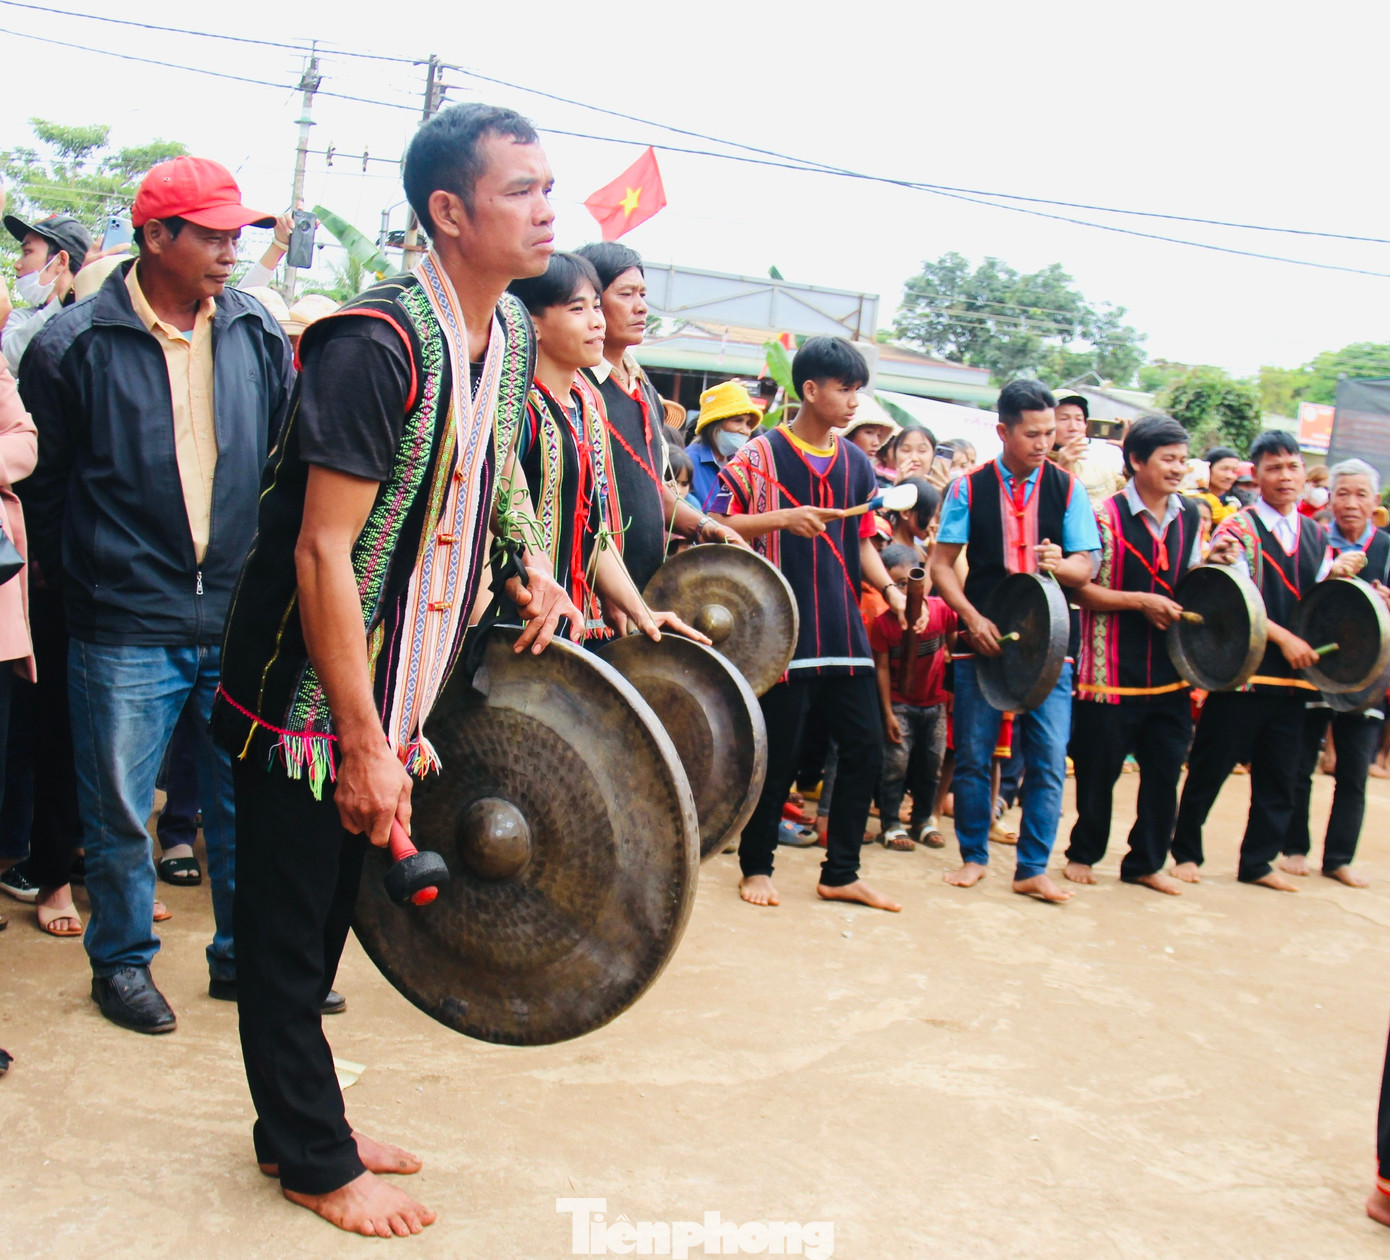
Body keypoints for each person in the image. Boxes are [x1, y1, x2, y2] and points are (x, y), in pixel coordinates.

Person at [209, 103, 583, 1237]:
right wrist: (360, 746)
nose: (546, 209)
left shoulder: (507, 336)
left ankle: (300, 1117)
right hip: (305, 701)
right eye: (520, 190)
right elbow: (325, 551)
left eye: (545, 186)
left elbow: (494, 470)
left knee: (326, 920)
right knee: (283, 937)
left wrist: (528, 564)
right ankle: (313, 1158)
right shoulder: (373, 344)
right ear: (448, 212)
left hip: (400, 686)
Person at [17, 157, 294, 1026]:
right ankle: (123, 964)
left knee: (243, 807)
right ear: (155, 237)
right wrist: (92, 579)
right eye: (210, 234)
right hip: (124, 619)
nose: (228, 250)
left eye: (233, 234)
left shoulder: (252, 331)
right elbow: (46, 490)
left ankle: (244, 959)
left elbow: (283, 465)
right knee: (122, 813)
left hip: (239, 615)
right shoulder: (76, 347)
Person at [715, 336, 922, 913]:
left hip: (842, 631)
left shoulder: (857, 464)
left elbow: (860, 542)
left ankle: (842, 872)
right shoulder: (761, 454)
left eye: (859, 388)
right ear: (810, 390)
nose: (855, 400)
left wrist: (887, 589)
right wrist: (780, 518)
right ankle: (757, 866)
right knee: (778, 755)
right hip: (781, 630)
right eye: (844, 388)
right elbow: (714, 523)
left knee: (864, 748)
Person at [930, 380, 1101, 903]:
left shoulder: (1068, 489)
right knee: (976, 754)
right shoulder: (967, 488)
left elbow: (1086, 562)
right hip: (980, 637)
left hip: (1051, 643)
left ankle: (1032, 867)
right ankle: (974, 857)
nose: (1044, 442)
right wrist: (970, 618)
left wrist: (1062, 565)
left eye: (1050, 432)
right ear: (1003, 430)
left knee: (1049, 757)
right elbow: (940, 565)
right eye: (1033, 433)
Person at [1170, 431, 1361, 890]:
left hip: (1295, 679)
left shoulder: (1316, 534)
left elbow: (1318, 601)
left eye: (1293, 466)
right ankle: (1186, 853)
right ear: (1256, 476)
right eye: (1274, 468)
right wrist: (1287, 639)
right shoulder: (1237, 528)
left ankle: (1258, 862)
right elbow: (1237, 601)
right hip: (1243, 672)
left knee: (1281, 775)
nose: (1286, 476)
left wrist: (1340, 577)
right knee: (1211, 766)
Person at [506, 251, 706, 643]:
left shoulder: (586, 407)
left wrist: (641, 611)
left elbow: (594, 532)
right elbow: (490, 531)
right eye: (578, 309)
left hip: (572, 627)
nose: (597, 321)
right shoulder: (517, 409)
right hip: (517, 626)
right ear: (534, 324)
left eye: (596, 306)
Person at [1064, 416, 1211, 895]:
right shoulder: (1100, 515)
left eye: (1182, 460)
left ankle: (1146, 863)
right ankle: (1083, 853)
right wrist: (1139, 601)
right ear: (1136, 461)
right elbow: (1081, 590)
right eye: (1168, 459)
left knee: (1165, 773)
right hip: (1107, 672)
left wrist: (1216, 569)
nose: (1178, 469)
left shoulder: (1191, 515)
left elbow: (1192, 581)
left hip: (1170, 672)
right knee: (1097, 774)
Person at [575, 242, 738, 587]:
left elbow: (656, 488)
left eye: (643, 294)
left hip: (644, 590)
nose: (641, 307)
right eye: (626, 294)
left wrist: (703, 526)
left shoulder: (644, 387)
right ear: (592, 303)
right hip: (586, 596)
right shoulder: (575, 386)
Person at [1280, 459, 1390, 887]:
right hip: (1316, 665)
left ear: (1375, 503)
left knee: (1354, 770)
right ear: (1330, 497)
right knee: (1300, 761)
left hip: (1366, 676)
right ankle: (1294, 847)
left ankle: (1339, 857)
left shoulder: (1385, 548)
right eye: (1343, 493)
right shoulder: (1314, 540)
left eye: (1361, 495)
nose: (1351, 503)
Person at [871, 543, 956, 850]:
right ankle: (891, 824)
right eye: (898, 585)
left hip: (934, 703)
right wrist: (889, 713)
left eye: (910, 582)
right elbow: (881, 669)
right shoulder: (882, 625)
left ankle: (923, 820)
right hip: (901, 705)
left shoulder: (942, 612)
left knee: (931, 764)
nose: (906, 591)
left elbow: (954, 646)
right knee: (896, 764)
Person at [1, 212, 92, 376]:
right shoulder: (18, 318)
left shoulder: (95, 320)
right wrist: (65, 299)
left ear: (61, 261)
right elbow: (11, 359)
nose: (17, 264)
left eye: (27, 252)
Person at [687, 380, 761, 512]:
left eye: (748, 423)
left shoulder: (742, 465)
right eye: (738, 421)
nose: (745, 430)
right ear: (715, 423)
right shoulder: (689, 460)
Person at [1052, 394, 1125, 507]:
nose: (1073, 427)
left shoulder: (1101, 466)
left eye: (1079, 419)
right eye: (1064, 419)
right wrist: (1061, 469)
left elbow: (1133, 498)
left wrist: (1132, 455)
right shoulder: (1033, 465)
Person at [1197, 446, 1243, 525]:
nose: (1230, 476)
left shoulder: (1234, 499)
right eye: (1224, 469)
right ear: (1208, 469)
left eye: (1234, 471)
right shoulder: (1195, 497)